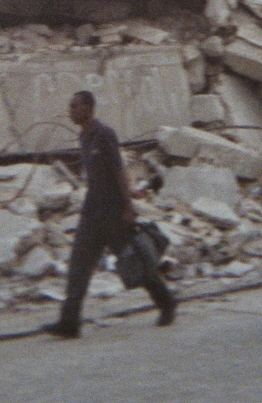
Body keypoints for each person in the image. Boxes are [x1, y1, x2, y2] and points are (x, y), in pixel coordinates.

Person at [43, 90, 176, 338]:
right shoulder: (83, 137)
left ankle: (167, 303)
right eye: (70, 107)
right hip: (92, 212)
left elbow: (119, 171)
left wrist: (128, 208)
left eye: (75, 107)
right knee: (78, 267)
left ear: (89, 108)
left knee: (134, 263)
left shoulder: (104, 135)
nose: (71, 111)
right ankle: (69, 322)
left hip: (114, 214)